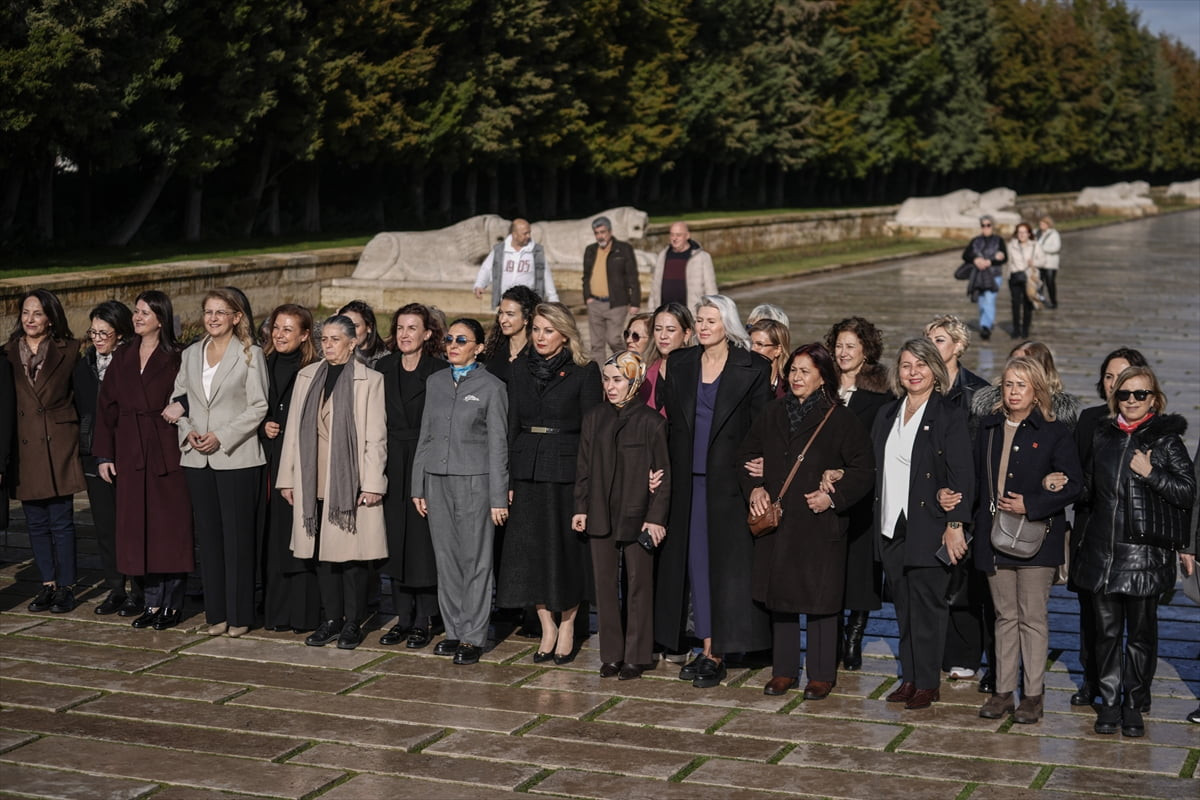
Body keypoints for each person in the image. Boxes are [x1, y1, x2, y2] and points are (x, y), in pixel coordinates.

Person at [741, 343, 874, 698]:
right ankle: (783, 670)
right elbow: (747, 455)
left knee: (821, 602)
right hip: (780, 522)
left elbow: (864, 470)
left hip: (819, 524)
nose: (796, 377)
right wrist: (755, 488)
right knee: (781, 599)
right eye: (793, 371)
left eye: (805, 371)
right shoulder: (772, 412)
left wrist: (833, 497)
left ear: (823, 377)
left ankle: (821, 674)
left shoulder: (841, 419)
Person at [1071, 365, 1195, 738]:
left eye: (1140, 394)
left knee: (1140, 637)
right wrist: (1060, 482)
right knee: (1106, 635)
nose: (1131, 400)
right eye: (1124, 394)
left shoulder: (1167, 441)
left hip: (1144, 557)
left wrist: (1150, 472)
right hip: (1103, 554)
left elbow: (1187, 492)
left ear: (1154, 399)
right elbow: (1088, 488)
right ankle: (1110, 703)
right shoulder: (1103, 436)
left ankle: (1134, 703)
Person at [656, 294, 772, 689]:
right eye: (700, 320)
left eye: (711, 320)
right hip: (687, 483)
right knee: (695, 567)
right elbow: (670, 425)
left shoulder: (753, 366)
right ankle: (705, 644)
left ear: (728, 324)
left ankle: (717, 650)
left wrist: (761, 473)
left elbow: (761, 429)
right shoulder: (681, 363)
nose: (704, 327)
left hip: (730, 486)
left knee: (725, 571)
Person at [973, 357, 1081, 724]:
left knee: (1032, 618)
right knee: (1005, 616)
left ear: (1036, 391)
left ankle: (1033, 696)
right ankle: (1003, 692)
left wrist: (1032, 503)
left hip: (1038, 539)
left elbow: (1075, 484)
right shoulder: (987, 427)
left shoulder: (1054, 432)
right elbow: (975, 479)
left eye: (1021, 385)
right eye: (1008, 384)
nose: (1014, 391)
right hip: (993, 536)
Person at [872, 338, 974, 710]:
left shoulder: (949, 414)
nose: (913, 372)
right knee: (903, 609)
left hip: (929, 525)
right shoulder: (887, 413)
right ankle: (910, 677)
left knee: (928, 608)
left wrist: (955, 524)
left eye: (921, 365)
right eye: (906, 365)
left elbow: (962, 474)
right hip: (891, 526)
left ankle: (928, 683)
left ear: (934, 370)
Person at [498, 303, 602, 664]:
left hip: (566, 472)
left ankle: (569, 624)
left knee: (565, 552)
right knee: (530, 552)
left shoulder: (585, 372)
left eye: (548, 330)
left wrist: (588, 486)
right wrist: (509, 478)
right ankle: (547, 626)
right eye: (536, 329)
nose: (540, 337)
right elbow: (511, 425)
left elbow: (591, 433)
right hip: (527, 469)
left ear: (565, 334)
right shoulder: (518, 369)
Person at [277, 315, 388, 650]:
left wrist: (373, 483)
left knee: (352, 556)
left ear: (353, 343)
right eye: (324, 339)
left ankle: (353, 621)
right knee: (321, 553)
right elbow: (293, 432)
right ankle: (331, 619)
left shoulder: (370, 380)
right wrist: (287, 477)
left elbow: (376, 437)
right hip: (313, 475)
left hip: (349, 478)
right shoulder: (307, 376)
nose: (327, 345)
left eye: (335, 339)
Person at [164, 288, 268, 637]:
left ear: (236, 317)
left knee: (238, 540)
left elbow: (258, 406)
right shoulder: (191, 354)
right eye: (208, 311)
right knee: (209, 539)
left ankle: (239, 616)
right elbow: (179, 399)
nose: (213, 318)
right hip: (197, 458)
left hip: (236, 457)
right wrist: (188, 431)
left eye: (221, 312)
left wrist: (221, 435)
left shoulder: (250, 354)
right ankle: (217, 614)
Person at [93, 291, 194, 630]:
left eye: (145, 313)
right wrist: (105, 454)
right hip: (130, 452)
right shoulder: (123, 356)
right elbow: (106, 407)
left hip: (167, 450)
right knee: (139, 530)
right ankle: (151, 602)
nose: (137, 317)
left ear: (161, 319)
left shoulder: (179, 356)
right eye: (136, 311)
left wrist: (182, 405)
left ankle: (172, 603)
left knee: (169, 529)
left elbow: (199, 393)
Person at [413, 318, 509, 665]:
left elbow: (499, 446)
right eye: (450, 339)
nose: (452, 345)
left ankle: (473, 636)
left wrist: (498, 496)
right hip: (436, 480)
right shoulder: (436, 382)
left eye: (462, 340)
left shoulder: (493, 387)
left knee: (476, 560)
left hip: (474, 483)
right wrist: (418, 484)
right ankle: (453, 631)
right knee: (447, 559)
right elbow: (426, 435)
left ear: (479, 348)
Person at [573, 351, 670, 680]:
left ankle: (636, 655)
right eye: (607, 379)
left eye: (618, 380)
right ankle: (611, 654)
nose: (610, 386)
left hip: (637, 515)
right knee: (604, 586)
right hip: (600, 513)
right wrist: (580, 507)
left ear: (635, 381)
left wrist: (655, 517)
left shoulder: (652, 423)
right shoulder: (594, 418)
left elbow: (663, 476)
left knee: (639, 585)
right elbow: (583, 467)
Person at [1069, 347, 1148, 707]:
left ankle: (1134, 690)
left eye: (1123, 376)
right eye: (1109, 376)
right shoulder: (1090, 419)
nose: (1115, 384)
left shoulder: (1153, 424)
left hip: (1134, 536)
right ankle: (1092, 679)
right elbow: (1076, 473)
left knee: (1135, 620)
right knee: (1092, 613)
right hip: (1092, 530)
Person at [7, 289, 85, 614]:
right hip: (24, 446)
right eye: (26, 312)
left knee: (61, 520)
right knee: (35, 522)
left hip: (58, 444)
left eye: (37, 313)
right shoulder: (7, 353)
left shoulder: (70, 350)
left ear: (50, 318)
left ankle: (67, 586)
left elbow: (81, 399)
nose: (30, 319)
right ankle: (48, 584)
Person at [376, 304, 449, 648]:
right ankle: (402, 618)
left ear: (427, 334)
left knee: (423, 543)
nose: (405, 334)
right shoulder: (383, 368)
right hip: (392, 460)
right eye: (400, 328)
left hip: (425, 460)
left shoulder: (439, 371)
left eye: (412, 328)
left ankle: (424, 620)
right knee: (396, 541)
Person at [924, 314, 991, 685]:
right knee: (930, 578)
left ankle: (964, 654)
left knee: (963, 581)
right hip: (926, 495)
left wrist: (963, 506)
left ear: (959, 346)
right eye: (929, 339)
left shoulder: (978, 393)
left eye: (940, 339)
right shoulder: (919, 385)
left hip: (966, 499)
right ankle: (933, 649)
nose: (932, 345)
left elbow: (979, 455)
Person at [824, 316, 892, 671]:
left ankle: (854, 635)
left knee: (862, 570)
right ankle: (832, 634)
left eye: (851, 346)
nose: (843, 352)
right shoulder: (823, 385)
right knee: (829, 568)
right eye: (839, 346)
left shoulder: (882, 393)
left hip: (864, 492)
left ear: (866, 351)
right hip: (824, 491)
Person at [74, 300, 141, 616]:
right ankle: (116, 588)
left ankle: (139, 590)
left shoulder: (134, 362)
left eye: (104, 333)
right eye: (93, 332)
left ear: (121, 334)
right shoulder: (84, 364)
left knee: (133, 525)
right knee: (105, 527)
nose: (97, 339)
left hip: (129, 454)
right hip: (94, 453)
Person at [259, 304, 321, 634]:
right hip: (266, 460)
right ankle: (275, 612)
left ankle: (302, 614)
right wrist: (262, 426)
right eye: (276, 328)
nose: (279, 335)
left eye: (288, 329)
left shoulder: (313, 369)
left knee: (297, 538)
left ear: (305, 335)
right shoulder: (261, 363)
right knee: (272, 539)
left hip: (298, 462)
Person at [583, 215, 641, 363]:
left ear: (610, 231)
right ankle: (599, 375)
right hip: (595, 303)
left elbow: (632, 276)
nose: (600, 236)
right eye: (597, 233)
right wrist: (587, 297)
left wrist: (635, 302)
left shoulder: (623, 249)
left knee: (614, 339)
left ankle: (628, 365)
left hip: (617, 303)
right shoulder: (590, 250)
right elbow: (586, 276)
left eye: (602, 232)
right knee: (596, 344)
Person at [473, 218, 559, 306]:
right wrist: (480, 284)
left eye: (529, 232)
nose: (529, 236)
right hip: (504, 301)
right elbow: (487, 268)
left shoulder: (536, 251)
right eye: (525, 233)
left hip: (527, 302)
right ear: (514, 234)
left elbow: (546, 276)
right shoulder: (499, 250)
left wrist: (553, 299)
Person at [648, 221, 717, 310]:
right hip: (664, 312)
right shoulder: (662, 255)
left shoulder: (702, 257)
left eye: (678, 235)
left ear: (687, 236)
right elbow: (654, 287)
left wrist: (712, 309)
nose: (674, 238)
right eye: (672, 235)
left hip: (691, 312)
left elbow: (710, 288)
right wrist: (651, 310)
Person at [640, 302, 694, 414]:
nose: (663, 336)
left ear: (687, 334)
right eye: (658, 329)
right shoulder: (644, 371)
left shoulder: (697, 372)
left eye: (671, 330)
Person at [482, 286, 541, 385]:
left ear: (526, 318)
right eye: (501, 313)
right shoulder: (494, 350)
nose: (502, 320)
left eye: (510, 314)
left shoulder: (537, 353)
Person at [961, 215, 1006, 340]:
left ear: (992, 226)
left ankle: (986, 327)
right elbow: (965, 255)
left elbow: (1004, 258)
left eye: (988, 225)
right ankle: (984, 324)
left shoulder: (999, 240)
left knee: (989, 300)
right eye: (983, 225)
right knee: (981, 302)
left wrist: (991, 261)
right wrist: (975, 259)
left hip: (993, 275)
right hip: (979, 275)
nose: (986, 227)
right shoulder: (975, 241)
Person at [1006, 222, 1041, 339]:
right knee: (1015, 304)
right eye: (1019, 232)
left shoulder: (1035, 245)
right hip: (1015, 276)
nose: (1022, 235)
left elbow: (1043, 260)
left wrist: (1034, 263)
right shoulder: (1011, 245)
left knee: (1028, 303)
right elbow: (1008, 261)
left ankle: (1025, 328)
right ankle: (1016, 329)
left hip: (1029, 277)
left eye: (1024, 232)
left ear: (1029, 233)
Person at [337, 300, 389, 368]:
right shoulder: (334, 352)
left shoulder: (384, 360)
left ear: (369, 327)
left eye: (355, 326)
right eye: (344, 326)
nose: (349, 331)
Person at [748, 319, 790, 398]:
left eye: (759, 344)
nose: (752, 349)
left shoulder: (788, 388)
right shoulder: (741, 380)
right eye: (750, 343)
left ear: (778, 350)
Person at [1036, 216, 1061, 309]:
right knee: (1039, 283)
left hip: (1050, 263)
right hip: (1039, 262)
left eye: (1043, 223)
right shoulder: (1037, 233)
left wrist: (1041, 248)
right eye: (1040, 223)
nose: (1041, 225)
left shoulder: (1054, 234)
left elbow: (1056, 247)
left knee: (1050, 283)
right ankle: (1039, 300)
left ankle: (1053, 301)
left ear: (1048, 224)